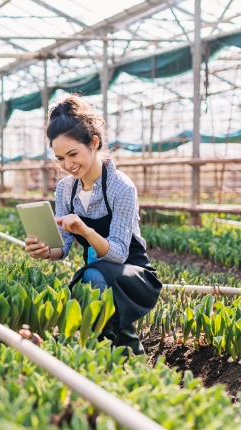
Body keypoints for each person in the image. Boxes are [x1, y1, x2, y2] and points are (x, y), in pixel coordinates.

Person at [24, 95, 162, 355]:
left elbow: (119, 255)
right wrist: (44, 249)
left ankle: (126, 350)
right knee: (90, 277)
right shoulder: (66, 189)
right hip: (97, 273)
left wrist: (86, 231)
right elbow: (62, 248)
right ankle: (112, 353)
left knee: (92, 275)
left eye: (73, 154)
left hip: (132, 273)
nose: (68, 165)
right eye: (60, 158)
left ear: (94, 143)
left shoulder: (121, 187)